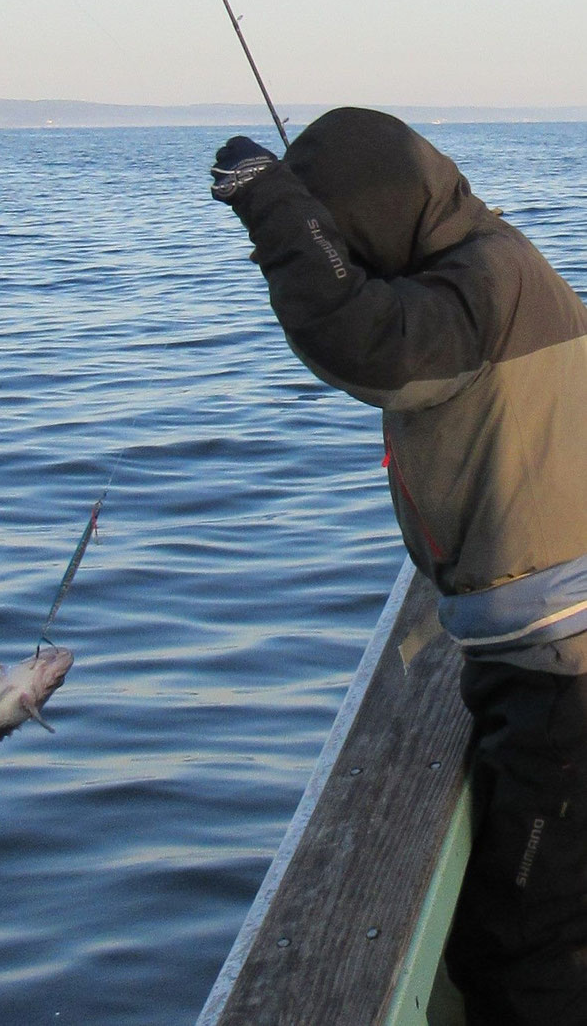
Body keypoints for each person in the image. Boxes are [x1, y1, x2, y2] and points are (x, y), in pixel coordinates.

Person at [209, 107, 587, 1025]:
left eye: (344, 230)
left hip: (564, 671)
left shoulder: (478, 288)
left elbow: (364, 340)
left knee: (521, 947)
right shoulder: (488, 261)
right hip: (536, 650)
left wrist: (276, 210)